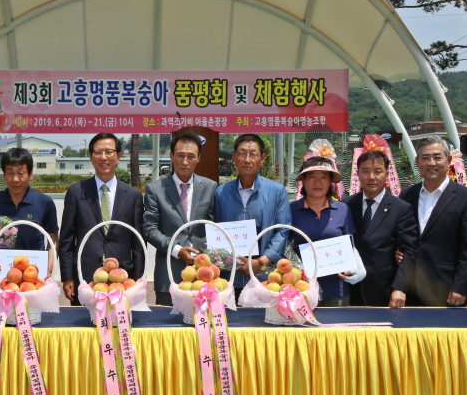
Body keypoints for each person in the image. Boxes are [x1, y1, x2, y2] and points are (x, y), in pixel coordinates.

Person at [59, 133, 145, 305]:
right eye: (98, 152)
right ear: (91, 157)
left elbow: (139, 243)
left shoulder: (133, 196)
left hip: (122, 277)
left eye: (109, 152)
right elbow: (66, 240)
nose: (103, 157)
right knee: (83, 322)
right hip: (85, 277)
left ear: (118, 156)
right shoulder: (76, 192)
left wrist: (137, 279)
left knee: (119, 321)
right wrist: (67, 277)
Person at [399, 136, 467, 307]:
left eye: (437, 157)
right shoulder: (407, 195)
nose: (431, 163)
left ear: (449, 161)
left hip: (447, 287)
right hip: (410, 288)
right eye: (425, 158)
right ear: (417, 162)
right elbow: (402, 236)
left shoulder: (466, 198)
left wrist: (461, 286)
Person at [143, 131, 217, 305]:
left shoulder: (210, 187)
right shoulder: (155, 189)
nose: (185, 162)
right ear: (171, 156)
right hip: (169, 275)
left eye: (191, 156)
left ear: (198, 158)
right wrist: (176, 250)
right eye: (180, 155)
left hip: (204, 275)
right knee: (167, 322)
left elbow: (216, 226)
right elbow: (149, 229)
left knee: (204, 321)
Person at [214, 133, 291, 292]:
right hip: (229, 279)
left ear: (262, 159)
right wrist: (228, 261)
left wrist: (262, 261)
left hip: (265, 279)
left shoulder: (277, 192)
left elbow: (282, 231)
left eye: (253, 154)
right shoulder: (221, 193)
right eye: (242, 154)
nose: (247, 160)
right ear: (234, 157)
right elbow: (216, 230)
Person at [345, 150, 417, 307]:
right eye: (365, 171)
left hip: (384, 290)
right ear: (357, 174)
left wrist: (400, 287)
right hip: (348, 289)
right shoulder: (346, 205)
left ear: (386, 174)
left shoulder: (401, 208)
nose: (371, 177)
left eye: (378, 171)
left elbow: (409, 252)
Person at [289, 156, 362, 306]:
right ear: (303, 180)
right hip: (300, 290)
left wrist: (358, 266)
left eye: (323, 177)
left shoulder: (342, 210)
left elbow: (350, 245)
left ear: (330, 182)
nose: (318, 182)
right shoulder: (291, 210)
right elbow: (285, 246)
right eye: (312, 176)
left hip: (336, 289)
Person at [0, 147, 59, 270]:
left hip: (35, 273)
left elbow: (53, 240)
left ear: (30, 174)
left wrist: (48, 269)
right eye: (10, 173)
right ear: (4, 175)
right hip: (2, 273)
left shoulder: (44, 202)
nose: (15, 179)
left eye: (21, 173)